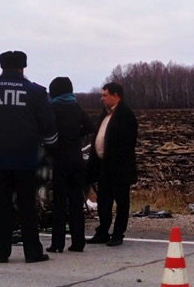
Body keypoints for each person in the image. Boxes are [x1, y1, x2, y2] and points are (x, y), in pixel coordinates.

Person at [0, 50, 57, 263]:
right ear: (23, 67)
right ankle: (32, 252)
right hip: (25, 159)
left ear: (2, 66)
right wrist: (52, 147)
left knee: (1, 206)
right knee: (27, 206)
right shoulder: (36, 92)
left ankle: (1, 252)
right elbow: (48, 125)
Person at [45, 77, 94, 253]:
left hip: (60, 159)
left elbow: (46, 130)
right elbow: (91, 126)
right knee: (76, 201)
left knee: (59, 202)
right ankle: (78, 242)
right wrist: (76, 134)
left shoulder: (52, 108)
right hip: (76, 159)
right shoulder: (75, 106)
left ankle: (57, 243)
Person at [87, 81, 138, 246]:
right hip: (104, 166)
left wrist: (115, 159)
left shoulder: (125, 115)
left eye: (105, 95)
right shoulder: (105, 114)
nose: (102, 98)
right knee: (103, 201)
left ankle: (118, 234)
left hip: (119, 168)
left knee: (121, 202)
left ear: (116, 96)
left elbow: (128, 143)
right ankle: (102, 232)